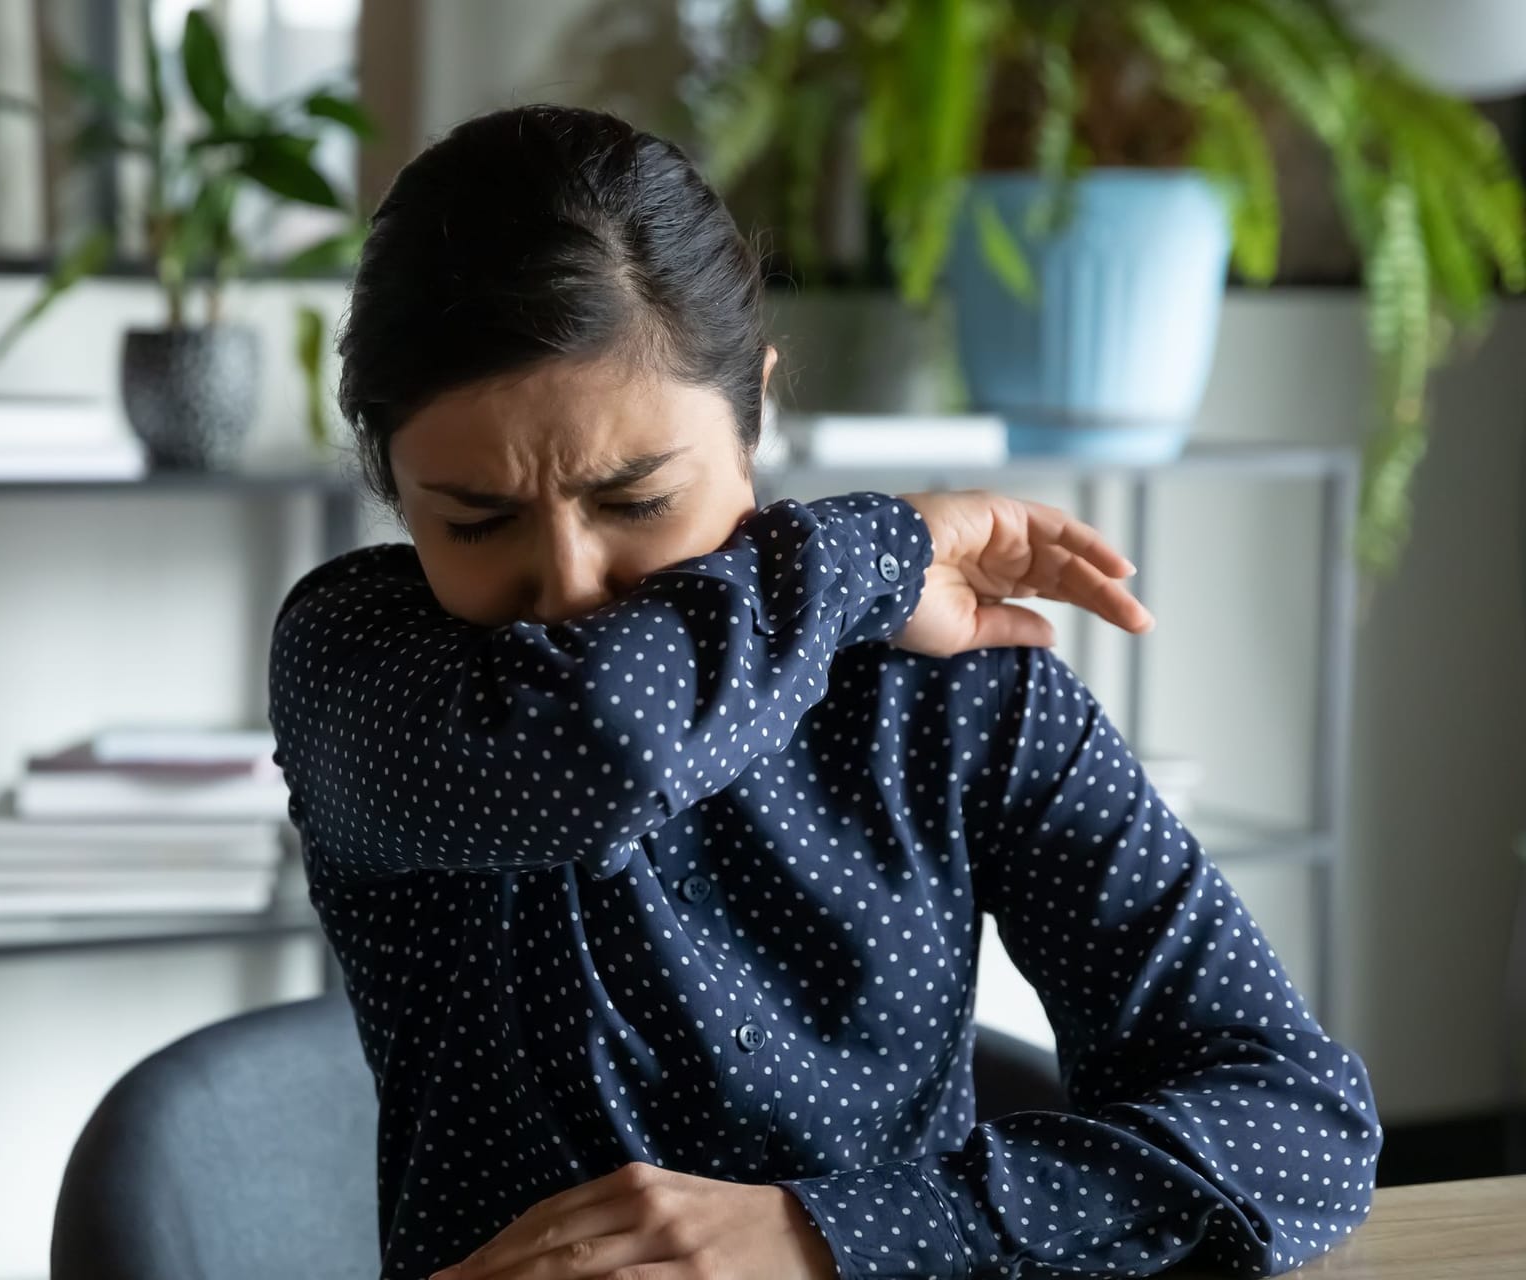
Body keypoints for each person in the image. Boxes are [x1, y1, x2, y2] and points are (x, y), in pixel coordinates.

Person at [268, 104, 1381, 1280]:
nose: (574, 588)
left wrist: (824, 1230)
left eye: (638, 501)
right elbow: (603, 747)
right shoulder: (360, 659)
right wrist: (881, 545)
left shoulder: (952, 694)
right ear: (390, 480)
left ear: (756, 405)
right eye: (477, 521)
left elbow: (1299, 1124)